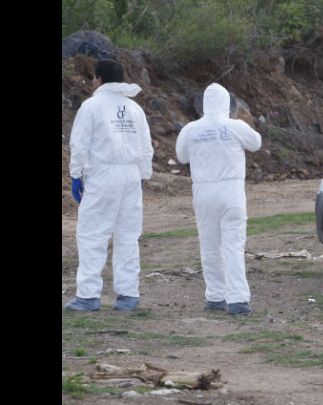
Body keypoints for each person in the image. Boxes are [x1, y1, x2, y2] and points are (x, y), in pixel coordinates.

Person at [65, 59, 154, 312]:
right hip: (131, 176)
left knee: (93, 234)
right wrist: (143, 176)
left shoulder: (91, 106)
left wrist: (76, 175)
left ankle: (88, 296)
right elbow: (146, 146)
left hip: (103, 174)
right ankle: (128, 295)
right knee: (127, 235)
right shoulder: (134, 108)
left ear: (99, 79)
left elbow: (79, 144)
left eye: (94, 77)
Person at [175, 83, 262, 316]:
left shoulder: (191, 129)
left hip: (203, 193)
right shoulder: (236, 126)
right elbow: (256, 143)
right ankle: (238, 300)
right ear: (227, 104)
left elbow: (181, 156)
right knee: (233, 246)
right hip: (231, 192)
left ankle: (215, 296)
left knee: (210, 246)